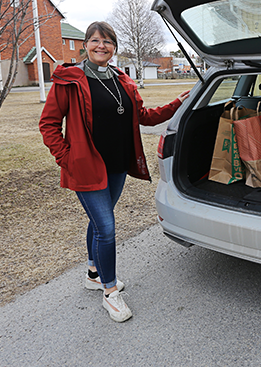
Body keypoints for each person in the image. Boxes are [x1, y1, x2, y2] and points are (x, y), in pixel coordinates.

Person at [39, 21, 189, 323]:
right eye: (95, 41)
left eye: (107, 42)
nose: (101, 46)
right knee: (106, 228)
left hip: (118, 165)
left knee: (99, 222)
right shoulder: (69, 81)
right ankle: (110, 293)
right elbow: (48, 125)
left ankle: (94, 274)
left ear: (114, 47)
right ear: (85, 45)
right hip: (86, 168)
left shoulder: (122, 80)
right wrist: (67, 159)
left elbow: (143, 116)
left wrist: (177, 103)